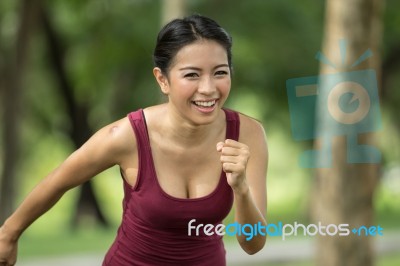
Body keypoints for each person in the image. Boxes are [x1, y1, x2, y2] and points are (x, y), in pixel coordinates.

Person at [0, 14, 268, 266]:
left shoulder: (248, 135)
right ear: (162, 80)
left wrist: (241, 188)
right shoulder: (127, 136)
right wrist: (8, 234)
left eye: (220, 72)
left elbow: (253, 244)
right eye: (192, 75)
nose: (209, 88)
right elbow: (58, 181)